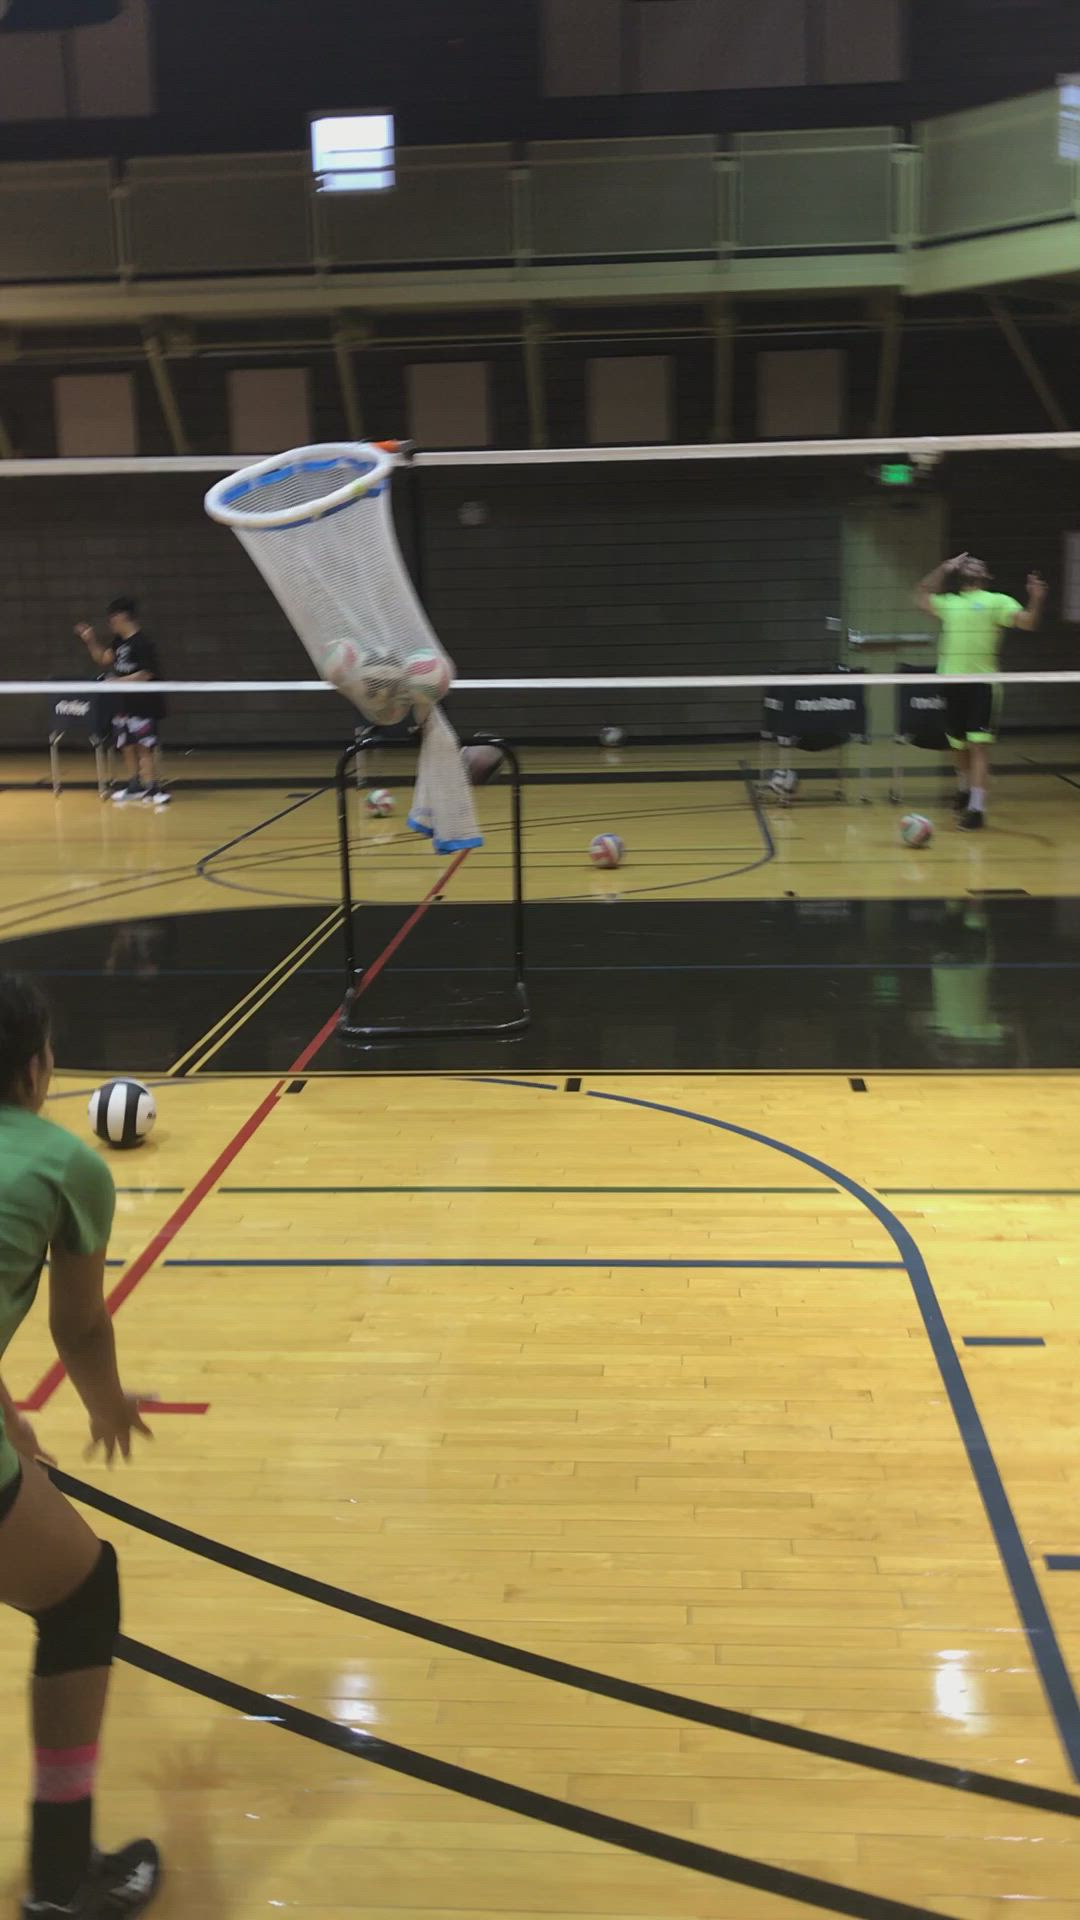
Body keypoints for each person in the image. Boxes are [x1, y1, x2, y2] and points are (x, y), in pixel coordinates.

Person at [0, 972, 160, 1917]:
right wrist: (102, 1405)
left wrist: (13, 1427)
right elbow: (80, 1328)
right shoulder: (64, 1165)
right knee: (82, 1593)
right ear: (36, 1066)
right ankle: (61, 1883)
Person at [914, 552, 1047, 830]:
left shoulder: (997, 601)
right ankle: (964, 789)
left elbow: (1028, 622)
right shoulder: (949, 602)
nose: (972, 564)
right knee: (957, 744)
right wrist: (944, 568)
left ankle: (977, 808)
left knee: (978, 746)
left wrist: (1036, 598)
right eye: (967, 562)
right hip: (950, 682)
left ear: (987, 576)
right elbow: (921, 594)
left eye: (979, 564)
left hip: (982, 684)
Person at [74, 601, 170, 808]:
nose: (111, 624)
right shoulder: (118, 642)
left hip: (143, 704)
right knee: (126, 745)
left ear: (123, 617)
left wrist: (116, 682)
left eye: (112, 620)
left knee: (144, 746)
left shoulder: (143, 643)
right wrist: (90, 640)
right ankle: (134, 785)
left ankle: (152, 788)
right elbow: (103, 658)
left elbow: (145, 674)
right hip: (122, 704)